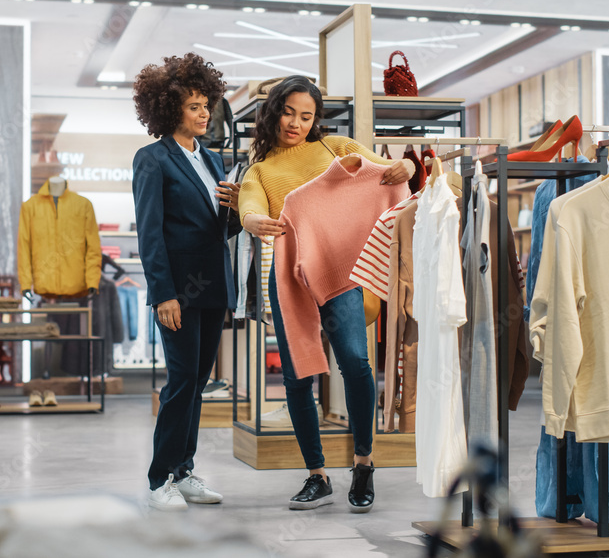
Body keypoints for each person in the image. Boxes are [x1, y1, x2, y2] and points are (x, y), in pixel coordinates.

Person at [238, 75, 414, 512]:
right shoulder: (259, 170)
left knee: (355, 363)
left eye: (306, 115)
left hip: (344, 275)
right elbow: (249, 203)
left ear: (316, 119)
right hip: (291, 281)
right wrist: (253, 221)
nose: (295, 123)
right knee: (299, 375)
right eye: (288, 112)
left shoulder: (337, 147)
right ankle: (316, 474)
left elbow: (386, 172)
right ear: (274, 110)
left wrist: (409, 167)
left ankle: (364, 463)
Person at [131, 53, 242, 510]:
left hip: (214, 286)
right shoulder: (152, 159)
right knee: (181, 381)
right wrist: (164, 295)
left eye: (206, 105)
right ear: (170, 106)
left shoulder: (213, 160)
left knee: (197, 382)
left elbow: (223, 232)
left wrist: (234, 206)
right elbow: (150, 232)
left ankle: (185, 470)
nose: (204, 113)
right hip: (178, 290)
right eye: (195, 105)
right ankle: (160, 481)